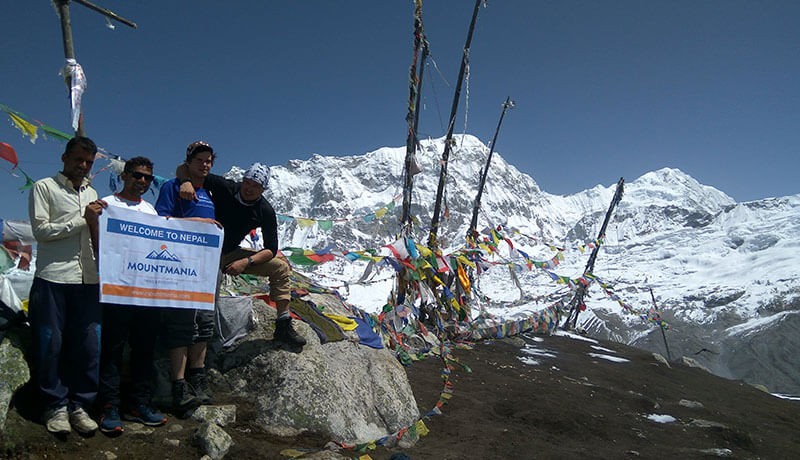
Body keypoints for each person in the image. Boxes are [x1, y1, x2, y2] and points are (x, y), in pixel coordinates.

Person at [178, 162, 306, 349]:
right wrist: (186, 182)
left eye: (256, 186)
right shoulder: (226, 187)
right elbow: (185, 167)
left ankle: (283, 325)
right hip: (204, 251)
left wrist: (246, 262)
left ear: (263, 189)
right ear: (242, 180)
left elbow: (271, 248)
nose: (250, 188)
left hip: (229, 253)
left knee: (281, 268)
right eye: (248, 182)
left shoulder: (265, 210)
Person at [28, 136, 103, 435]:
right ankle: (54, 404)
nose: (82, 166)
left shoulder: (94, 192)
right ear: (64, 157)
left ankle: (80, 404)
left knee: (88, 345)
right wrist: (83, 220)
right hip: (53, 278)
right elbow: (41, 231)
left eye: (88, 162)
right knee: (50, 343)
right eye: (78, 159)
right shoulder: (44, 187)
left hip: (89, 279)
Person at [90, 157, 168, 434]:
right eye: (137, 175)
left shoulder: (150, 210)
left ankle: (139, 403)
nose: (142, 181)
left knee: (144, 349)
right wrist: (93, 218)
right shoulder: (106, 204)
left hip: (146, 291)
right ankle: (109, 406)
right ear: (124, 176)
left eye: (148, 177)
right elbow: (96, 243)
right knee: (112, 349)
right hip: (116, 289)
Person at [154, 141, 218, 414]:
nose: (204, 165)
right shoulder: (172, 187)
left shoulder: (211, 190)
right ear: (189, 162)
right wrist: (200, 225)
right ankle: (178, 384)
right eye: (199, 160)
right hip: (180, 264)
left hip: (207, 263)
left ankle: (198, 376)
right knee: (181, 322)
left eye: (209, 161)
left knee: (204, 321)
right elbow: (161, 222)